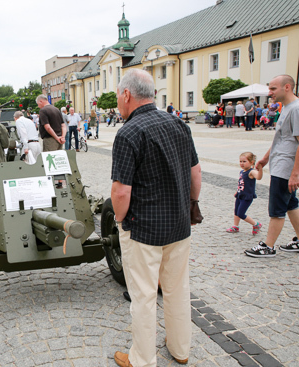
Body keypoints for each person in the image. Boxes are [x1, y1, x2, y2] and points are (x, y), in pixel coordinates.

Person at [111, 69, 201, 367]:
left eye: (117, 96)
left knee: (144, 296)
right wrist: (192, 205)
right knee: (177, 289)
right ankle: (180, 349)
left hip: (143, 229)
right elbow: (195, 173)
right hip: (178, 224)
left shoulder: (128, 132)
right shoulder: (177, 123)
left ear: (127, 95)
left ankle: (142, 359)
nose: (117, 102)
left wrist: (120, 219)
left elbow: (121, 192)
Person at [245, 75, 299, 257]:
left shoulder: (296, 109)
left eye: (273, 89)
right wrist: (265, 159)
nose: (270, 93)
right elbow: (281, 139)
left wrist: (295, 174)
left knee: (277, 208)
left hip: (286, 168)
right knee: (291, 204)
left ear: (287, 87)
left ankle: (268, 246)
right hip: (280, 164)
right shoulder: (286, 108)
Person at [226, 152, 263, 234]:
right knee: (236, 211)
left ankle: (256, 224)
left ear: (251, 162)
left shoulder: (251, 172)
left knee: (240, 213)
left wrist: (260, 169)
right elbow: (241, 183)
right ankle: (235, 226)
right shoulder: (242, 171)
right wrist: (237, 191)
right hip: (240, 195)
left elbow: (259, 177)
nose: (242, 163)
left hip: (247, 197)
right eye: (240, 161)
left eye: (244, 161)